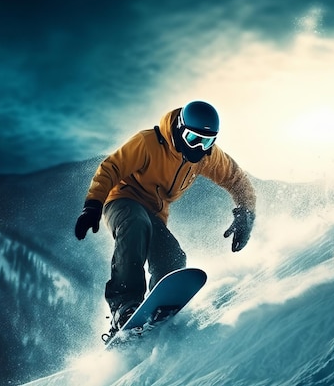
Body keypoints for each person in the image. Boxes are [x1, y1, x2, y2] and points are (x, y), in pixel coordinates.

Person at [74, 101, 256, 337]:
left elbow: (237, 179)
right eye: (193, 139)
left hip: (154, 214)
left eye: (207, 141)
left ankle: (156, 310)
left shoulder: (205, 157)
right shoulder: (148, 143)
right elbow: (110, 168)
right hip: (121, 200)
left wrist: (246, 213)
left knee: (173, 257)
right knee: (135, 223)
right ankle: (124, 306)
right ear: (180, 128)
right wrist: (93, 205)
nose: (199, 147)